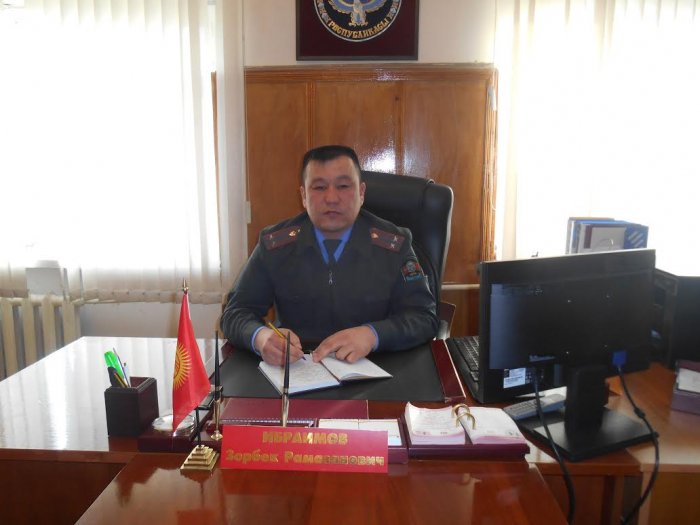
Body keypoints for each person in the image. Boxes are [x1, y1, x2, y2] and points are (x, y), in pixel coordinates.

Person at [220, 145, 438, 366]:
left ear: (361, 193)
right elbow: (235, 313)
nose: (332, 198)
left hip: (377, 367)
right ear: (304, 196)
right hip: (298, 369)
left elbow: (423, 317)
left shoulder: (394, 245)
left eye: (343, 186)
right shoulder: (275, 245)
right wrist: (262, 338)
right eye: (319, 187)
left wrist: (373, 335)